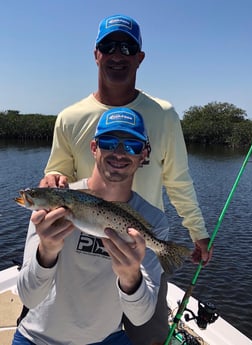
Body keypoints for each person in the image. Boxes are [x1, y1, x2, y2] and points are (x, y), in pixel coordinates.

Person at [40, 14, 213, 344]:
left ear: (139, 57)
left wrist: (198, 232)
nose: (117, 54)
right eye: (108, 46)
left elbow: (178, 180)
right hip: (83, 254)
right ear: (96, 54)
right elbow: (57, 173)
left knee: (147, 335)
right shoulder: (69, 118)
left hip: (144, 250)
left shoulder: (163, 114)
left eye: (127, 47)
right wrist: (54, 178)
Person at [13, 108, 170, 345]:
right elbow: (28, 296)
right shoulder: (49, 209)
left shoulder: (152, 219)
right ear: (94, 148)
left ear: (144, 154)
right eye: (108, 142)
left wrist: (130, 277)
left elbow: (140, 317)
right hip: (38, 338)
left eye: (131, 146)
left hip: (108, 338)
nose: (119, 153)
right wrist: (45, 253)